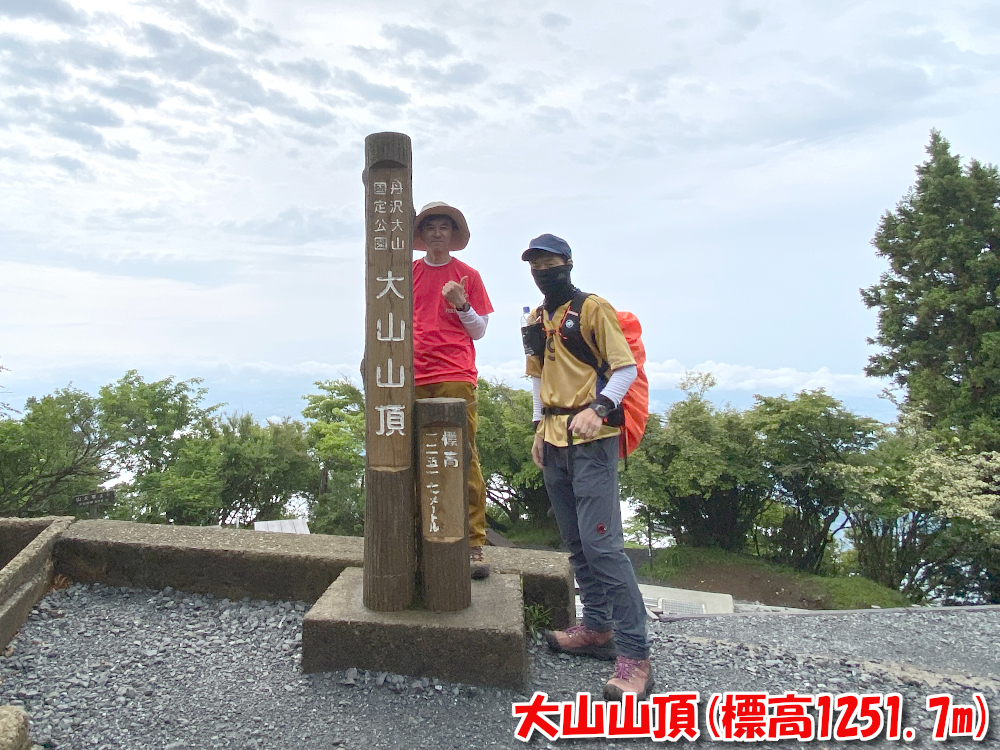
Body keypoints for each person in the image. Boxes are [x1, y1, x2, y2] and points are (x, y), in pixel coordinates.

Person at [522, 233, 652, 700]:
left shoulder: (593, 308)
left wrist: (598, 407)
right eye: (535, 264)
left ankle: (635, 654)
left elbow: (624, 369)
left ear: (568, 263)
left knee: (603, 547)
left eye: (550, 262)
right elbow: (538, 377)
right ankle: (596, 628)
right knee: (576, 542)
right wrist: (538, 427)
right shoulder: (536, 318)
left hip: (593, 439)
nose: (543, 270)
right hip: (554, 439)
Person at [412, 201, 494, 579]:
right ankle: (418, 535)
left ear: (453, 234)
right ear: (422, 234)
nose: (437, 233)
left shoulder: (468, 275)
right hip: (411, 376)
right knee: (412, 457)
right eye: (430, 227)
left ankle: (474, 542)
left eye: (444, 227)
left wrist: (460, 305)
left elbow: (479, 330)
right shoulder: (406, 273)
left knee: (462, 455)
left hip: (456, 373)